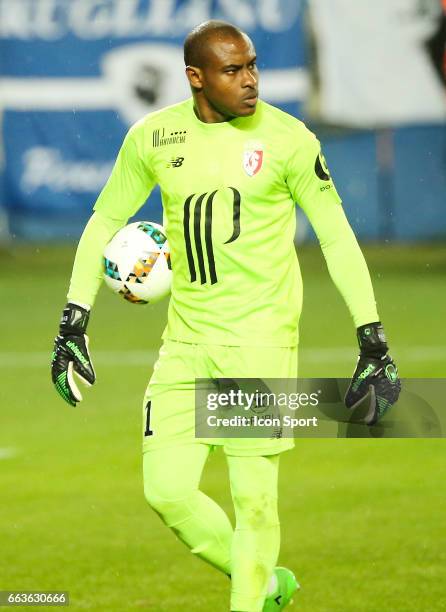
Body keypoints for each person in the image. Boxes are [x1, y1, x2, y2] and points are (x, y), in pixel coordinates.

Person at [51, 20, 401, 612]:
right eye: (233, 71)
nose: (250, 82)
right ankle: (264, 587)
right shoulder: (153, 138)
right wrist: (73, 322)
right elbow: (104, 223)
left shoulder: (290, 141)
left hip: (259, 342)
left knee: (255, 499)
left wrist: (372, 338)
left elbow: (338, 237)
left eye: (253, 66)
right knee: (165, 492)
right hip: (185, 342)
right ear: (196, 78)